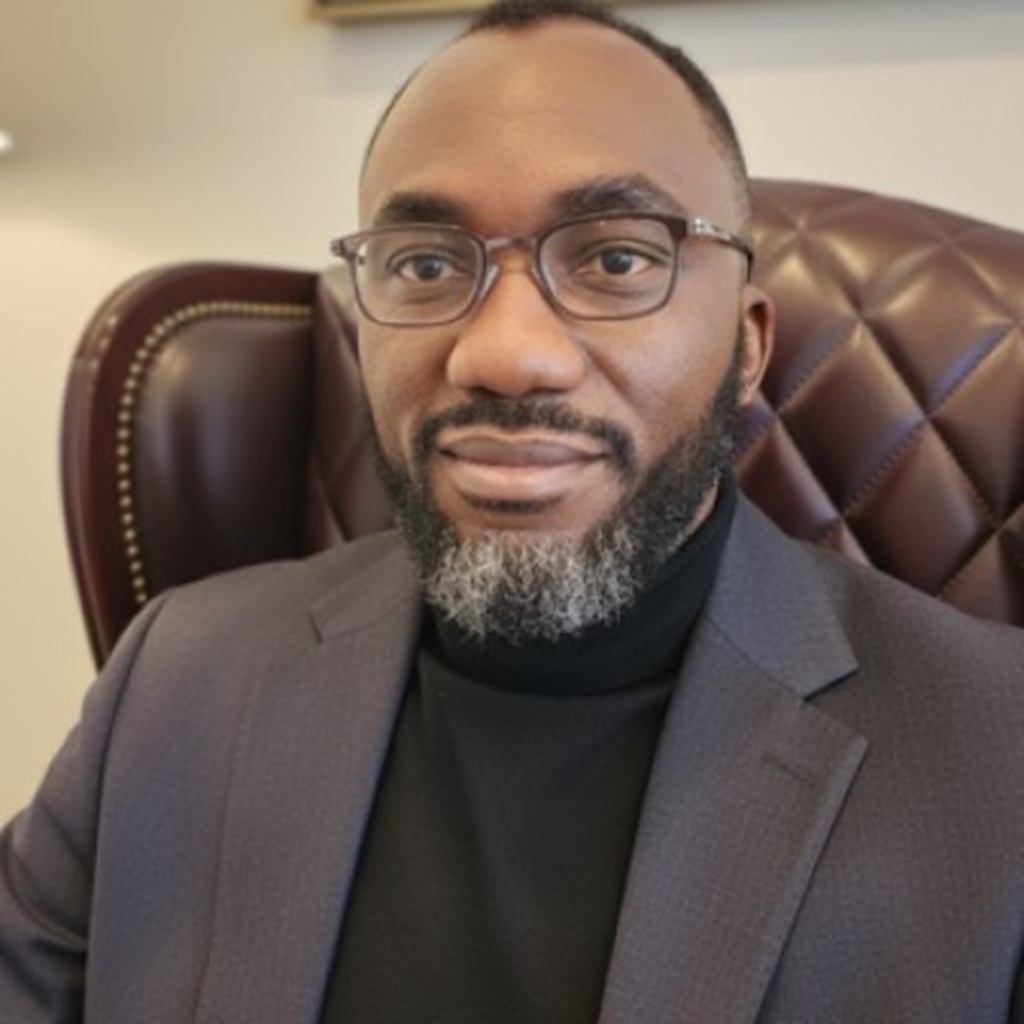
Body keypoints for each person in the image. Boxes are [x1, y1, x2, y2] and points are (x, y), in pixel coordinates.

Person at [2, 0, 1023, 1020]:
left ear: (747, 347)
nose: (506, 354)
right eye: (427, 264)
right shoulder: (173, 678)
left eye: (616, 259)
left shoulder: (999, 756)